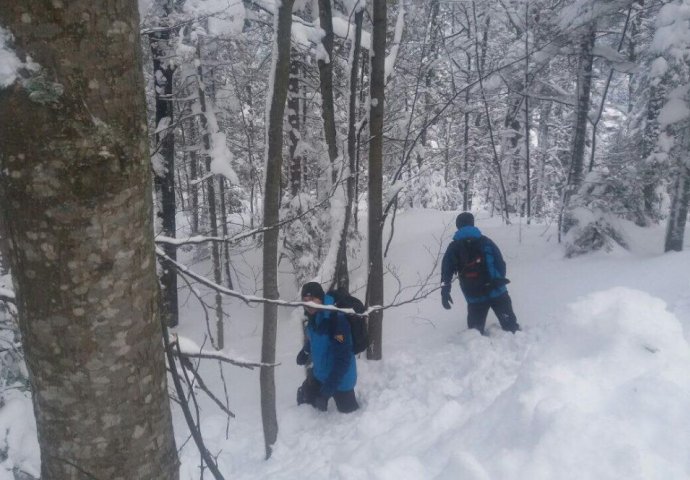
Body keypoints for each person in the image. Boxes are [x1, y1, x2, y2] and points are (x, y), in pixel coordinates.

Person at [441, 212, 520, 335]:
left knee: (475, 335)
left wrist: (445, 291)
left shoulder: (454, 247)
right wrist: (499, 281)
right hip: (498, 292)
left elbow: (446, 271)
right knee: (512, 329)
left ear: (458, 226)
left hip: (474, 296)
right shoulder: (486, 241)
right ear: (472, 224)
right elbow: (500, 263)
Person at [296, 281, 359, 413]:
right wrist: (305, 351)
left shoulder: (337, 320)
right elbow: (313, 338)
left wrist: (327, 391)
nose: (309, 304)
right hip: (321, 374)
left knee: (350, 416)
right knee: (306, 401)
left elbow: (343, 361)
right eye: (305, 300)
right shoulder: (313, 317)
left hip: (342, 380)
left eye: (313, 299)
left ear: (321, 298)